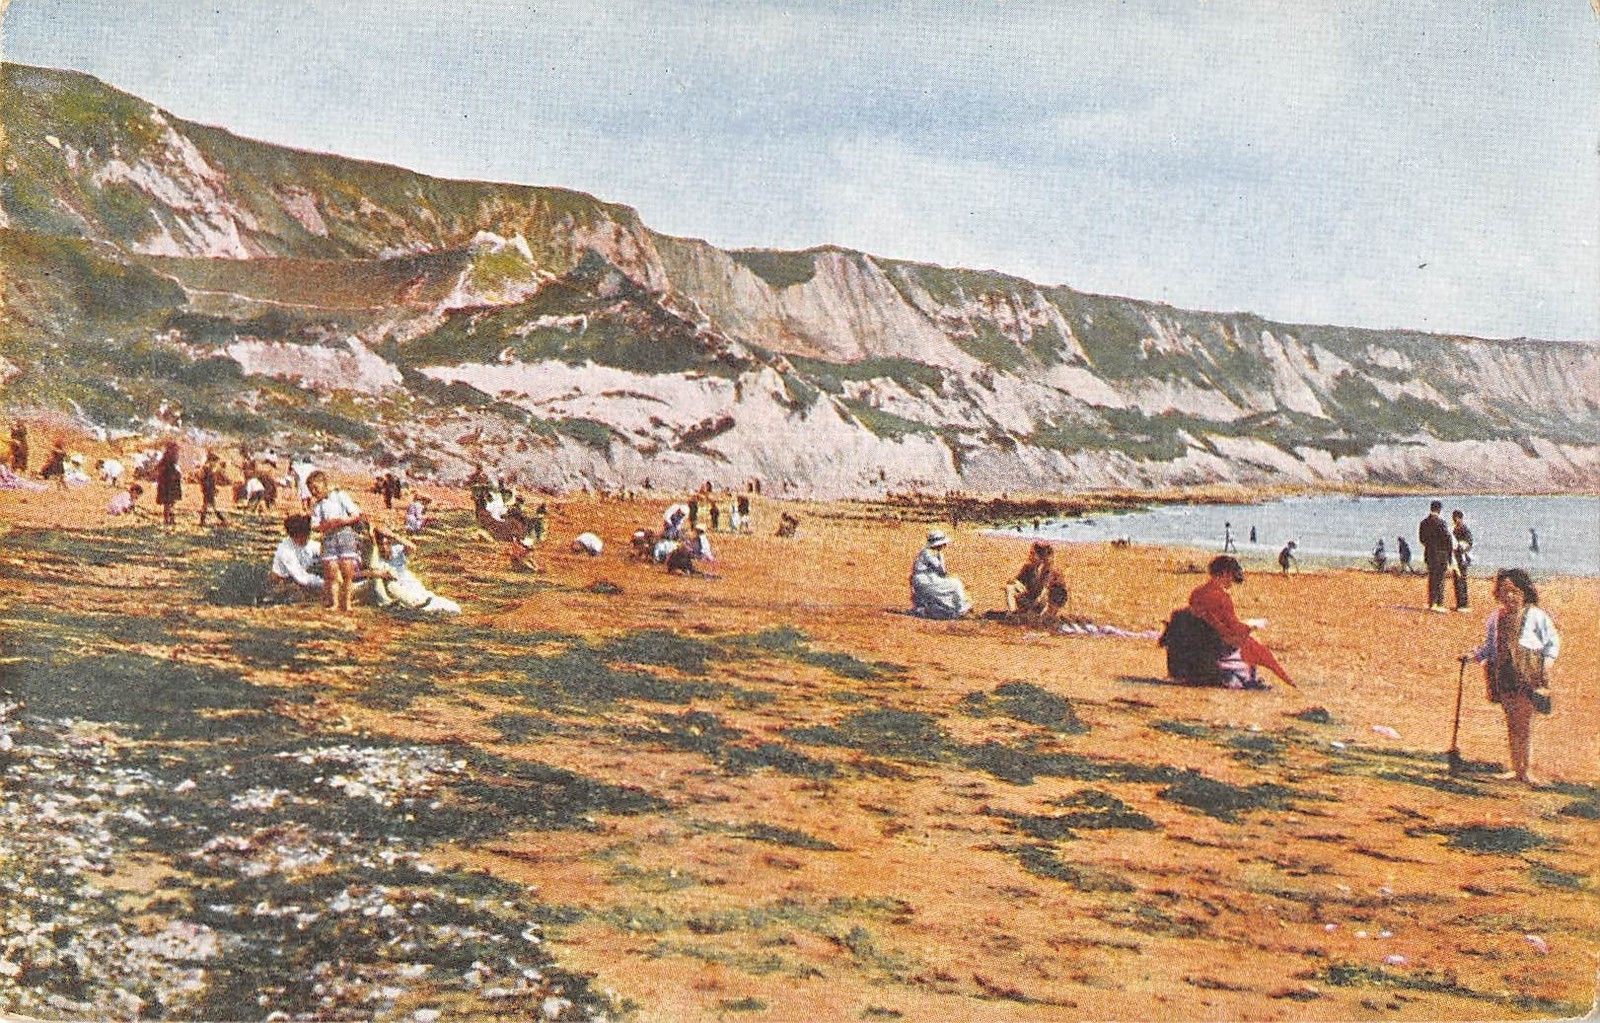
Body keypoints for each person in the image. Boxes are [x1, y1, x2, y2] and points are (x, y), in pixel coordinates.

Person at [1465, 569, 1559, 786]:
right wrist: (1473, 656)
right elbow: (1489, 647)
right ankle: (1516, 768)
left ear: (1525, 592)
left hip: (1528, 675)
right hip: (1504, 674)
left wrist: (1546, 665)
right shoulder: (1495, 618)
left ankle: (1525, 771)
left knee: (1524, 723)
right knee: (1511, 723)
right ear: (1498, 594)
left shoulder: (1536, 616)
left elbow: (1552, 643)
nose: (1509, 596)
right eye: (1504, 591)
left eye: (1514, 591)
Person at [1185, 555, 1292, 688]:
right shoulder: (1222, 598)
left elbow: (1212, 620)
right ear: (1225, 573)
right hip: (1216, 643)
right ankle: (1269, 679)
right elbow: (1233, 627)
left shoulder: (1196, 593)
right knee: (1252, 643)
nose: (1232, 580)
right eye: (1231, 575)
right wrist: (1252, 626)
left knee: (1247, 639)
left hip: (1197, 641)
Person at [306, 470, 364, 613]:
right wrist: (326, 525)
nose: (314, 492)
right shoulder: (317, 506)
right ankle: (335, 603)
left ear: (324, 484)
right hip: (329, 538)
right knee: (331, 572)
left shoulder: (339, 496)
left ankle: (348, 603)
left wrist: (342, 521)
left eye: (316, 488)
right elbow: (314, 525)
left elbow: (356, 514)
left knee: (347, 572)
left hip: (345, 535)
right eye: (311, 489)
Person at [368, 527, 460, 614]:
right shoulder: (377, 558)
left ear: (390, 543)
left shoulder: (396, 550)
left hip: (408, 581)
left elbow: (412, 548)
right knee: (396, 589)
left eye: (386, 544)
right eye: (381, 544)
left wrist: (394, 535)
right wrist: (373, 539)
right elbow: (374, 571)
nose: (384, 547)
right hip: (396, 586)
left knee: (451, 607)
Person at [909, 530, 972, 619]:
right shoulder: (928, 553)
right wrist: (940, 556)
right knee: (956, 584)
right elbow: (942, 570)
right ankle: (961, 608)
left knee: (951, 583)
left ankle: (950, 608)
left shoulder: (928, 552)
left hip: (925, 579)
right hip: (926, 580)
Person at [263, 514, 324, 603]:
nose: (305, 538)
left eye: (307, 535)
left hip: (299, 580)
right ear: (293, 535)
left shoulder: (308, 544)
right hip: (281, 585)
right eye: (302, 536)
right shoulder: (285, 550)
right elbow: (302, 578)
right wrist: (327, 583)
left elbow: (325, 551)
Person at [1004, 541, 1067, 622]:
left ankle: (1041, 617)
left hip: (1044, 604)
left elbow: (1050, 592)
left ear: (1040, 556)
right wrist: (1017, 585)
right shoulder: (1028, 567)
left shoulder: (1052, 571)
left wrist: (1040, 600)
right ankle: (1014, 614)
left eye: (1033, 554)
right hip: (1031, 600)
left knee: (1047, 596)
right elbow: (1015, 581)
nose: (1030, 556)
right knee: (1010, 587)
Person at [1418, 500, 1453, 613]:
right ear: (1439, 510)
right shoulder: (1441, 523)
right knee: (1440, 579)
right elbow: (1447, 539)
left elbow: (1422, 539)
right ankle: (1439, 603)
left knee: (1432, 578)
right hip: (1441, 554)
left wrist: (1430, 546)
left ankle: (1432, 602)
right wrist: (1449, 555)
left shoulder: (1423, 523)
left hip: (1429, 553)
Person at [198, 451, 230, 528]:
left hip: (210, 490)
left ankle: (203, 521)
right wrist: (207, 487)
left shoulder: (210, 469)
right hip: (207, 490)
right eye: (214, 462)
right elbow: (202, 480)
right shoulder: (205, 469)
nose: (215, 464)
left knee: (210, 506)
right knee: (209, 506)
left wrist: (214, 488)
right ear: (210, 461)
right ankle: (222, 520)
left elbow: (211, 481)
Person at [154, 441, 183, 527]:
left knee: (171, 502)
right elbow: (160, 469)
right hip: (167, 483)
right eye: (175, 450)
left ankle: (171, 519)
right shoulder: (166, 460)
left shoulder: (169, 460)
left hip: (171, 483)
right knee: (168, 503)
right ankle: (167, 520)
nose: (177, 453)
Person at [1451, 509, 1474, 612]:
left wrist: (1462, 546)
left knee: (1462, 580)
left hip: (1462, 557)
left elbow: (1469, 543)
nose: (1454, 520)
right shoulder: (1454, 529)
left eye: (1456, 518)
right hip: (1456, 557)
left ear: (1460, 518)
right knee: (1457, 580)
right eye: (1453, 518)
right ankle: (1459, 603)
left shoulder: (1464, 529)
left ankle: (1463, 604)